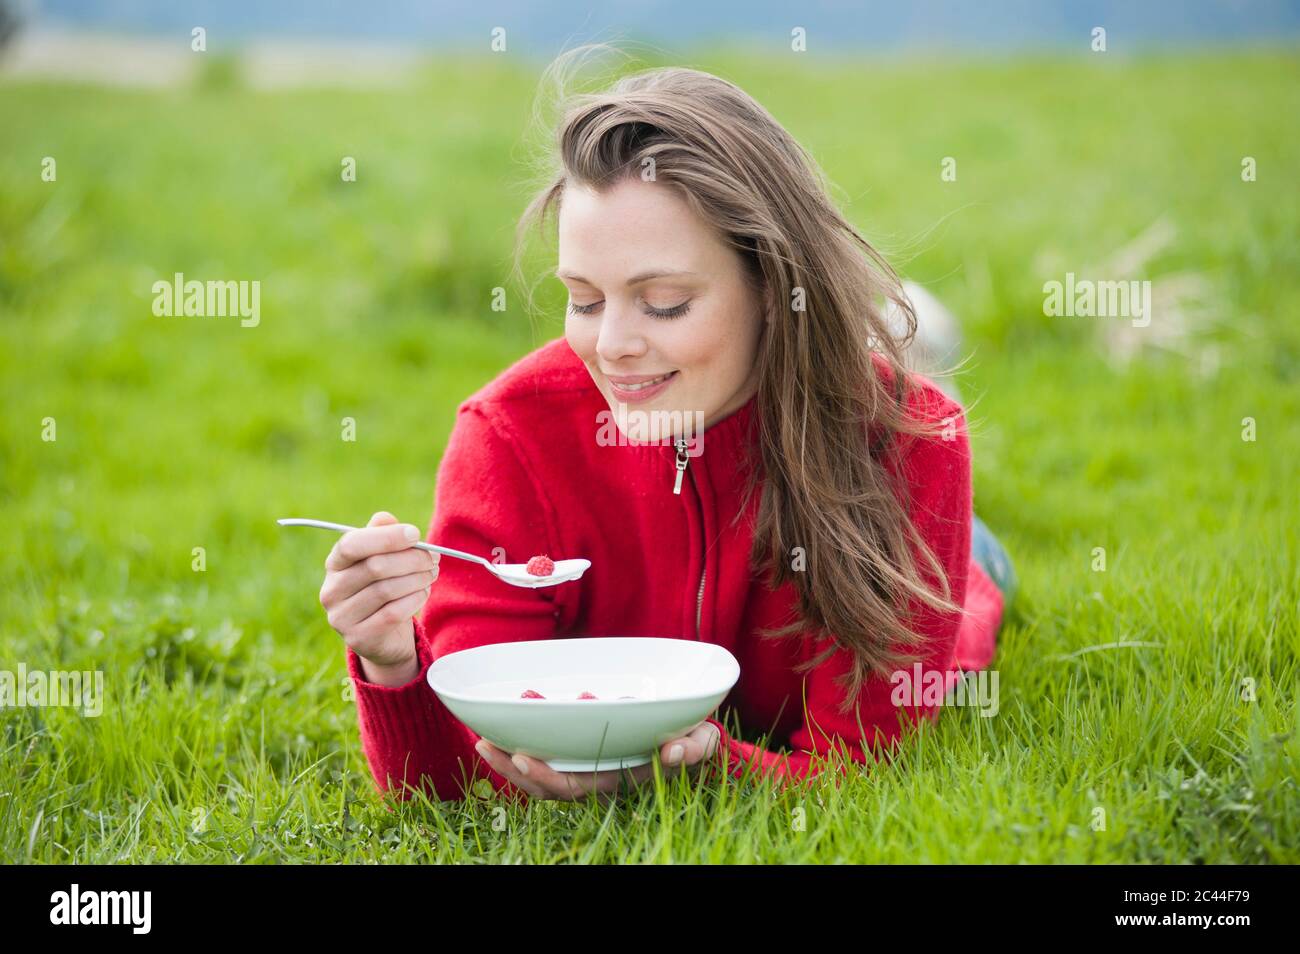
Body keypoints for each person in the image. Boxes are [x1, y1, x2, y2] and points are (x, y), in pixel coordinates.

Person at [314, 56, 1015, 805]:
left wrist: (699, 767)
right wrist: (394, 664)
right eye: (585, 300)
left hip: (950, 552)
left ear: (775, 290)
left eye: (665, 303)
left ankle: (929, 402)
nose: (612, 345)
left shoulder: (912, 446)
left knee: (976, 569)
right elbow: (456, 786)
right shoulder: (507, 437)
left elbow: (863, 770)